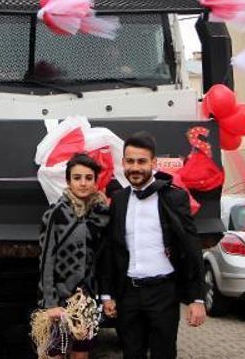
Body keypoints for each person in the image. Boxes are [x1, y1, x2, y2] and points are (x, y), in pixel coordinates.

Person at [99, 131, 207, 359]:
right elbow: (111, 249)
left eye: (141, 161)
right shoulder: (118, 200)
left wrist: (196, 298)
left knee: (164, 353)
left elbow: (191, 248)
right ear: (123, 163)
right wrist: (107, 293)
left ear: (153, 163)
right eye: (130, 161)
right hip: (129, 293)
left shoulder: (173, 197)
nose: (135, 167)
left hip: (163, 293)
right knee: (131, 353)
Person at [36, 153, 110, 359]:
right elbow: (46, 260)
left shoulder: (101, 214)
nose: (83, 183)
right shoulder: (56, 213)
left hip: (86, 299)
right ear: (68, 181)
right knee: (55, 353)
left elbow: (104, 260)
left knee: (81, 353)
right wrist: (50, 304)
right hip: (60, 298)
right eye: (77, 178)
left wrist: (103, 296)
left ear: (96, 181)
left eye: (88, 177)